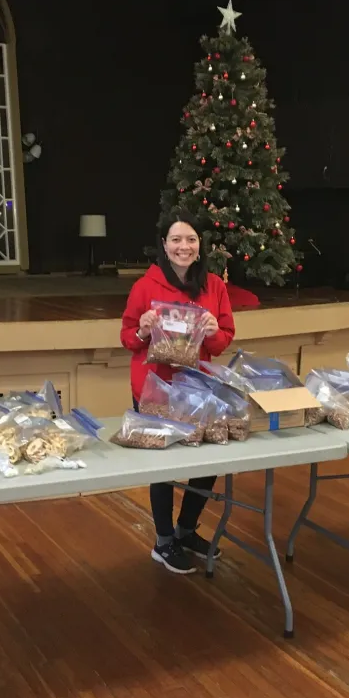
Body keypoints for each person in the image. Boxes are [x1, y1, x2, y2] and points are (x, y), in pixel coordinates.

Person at [120, 210, 236, 574]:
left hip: (197, 387)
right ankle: (164, 540)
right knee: (164, 466)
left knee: (206, 462)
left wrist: (214, 330)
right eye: (176, 240)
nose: (183, 246)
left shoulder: (214, 286)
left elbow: (221, 343)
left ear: (199, 246)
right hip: (154, 388)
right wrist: (142, 328)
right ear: (164, 246)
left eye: (190, 240)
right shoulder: (145, 286)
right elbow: (127, 339)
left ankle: (187, 529)